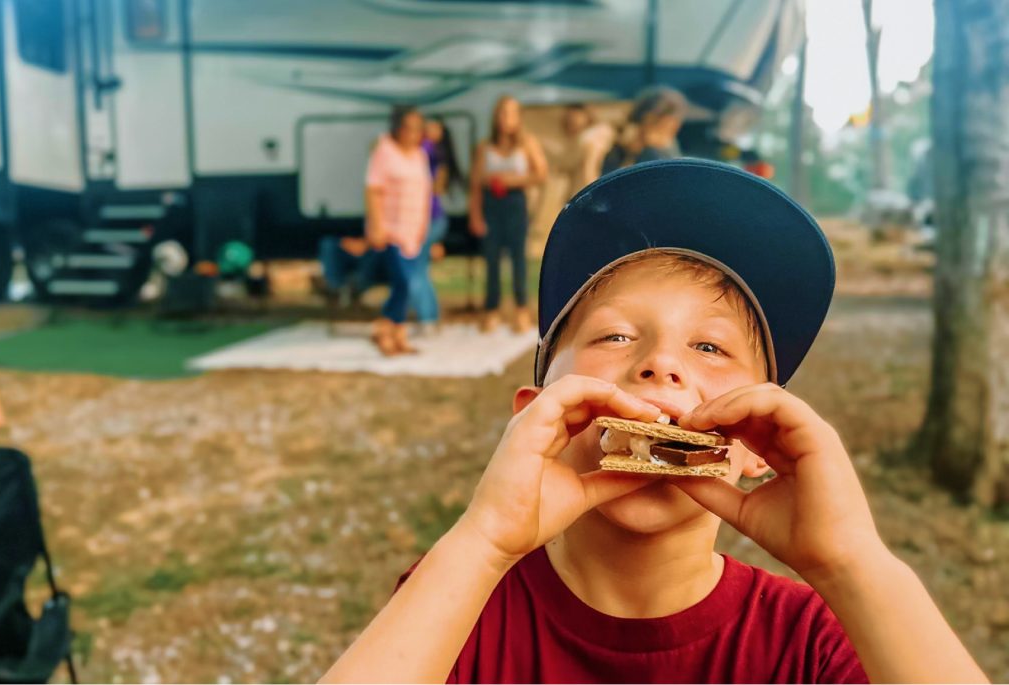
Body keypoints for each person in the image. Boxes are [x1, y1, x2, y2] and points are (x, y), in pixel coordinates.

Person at [322, 159, 988, 683]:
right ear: (536, 417)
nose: (660, 363)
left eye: (710, 347)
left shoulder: (811, 640)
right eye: (614, 336)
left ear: (761, 442)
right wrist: (484, 539)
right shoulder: (460, 602)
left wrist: (854, 563)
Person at [469, 96, 548, 334]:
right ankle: (491, 309)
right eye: (502, 113)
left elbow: (541, 174)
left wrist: (512, 180)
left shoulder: (527, 143)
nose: (505, 118)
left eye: (510, 113)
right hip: (491, 205)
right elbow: (474, 183)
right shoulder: (485, 146)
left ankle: (521, 309)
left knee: (518, 260)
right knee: (492, 259)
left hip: (515, 202)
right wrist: (475, 215)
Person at [364, 105, 432, 355]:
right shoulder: (384, 151)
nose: (413, 133)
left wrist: (423, 226)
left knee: (406, 284)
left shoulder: (419, 155)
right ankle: (382, 327)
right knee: (403, 282)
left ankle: (398, 335)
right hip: (391, 229)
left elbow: (425, 191)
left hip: (413, 231)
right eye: (408, 128)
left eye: (417, 128)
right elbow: (373, 189)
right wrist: (376, 225)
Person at [407, 118, 464, 334]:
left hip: (427, 219)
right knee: (420, 269)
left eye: (432, 126)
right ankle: (430, 316)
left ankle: (427, 317)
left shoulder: (428, 149)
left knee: (414, 270)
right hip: (435, 219)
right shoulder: (439, 153)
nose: (426, 128)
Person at [601, 86, 687, 175]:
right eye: (668, 127)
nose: (673, 132)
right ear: (648, 119)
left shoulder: (664, 148)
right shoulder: (609, 141)